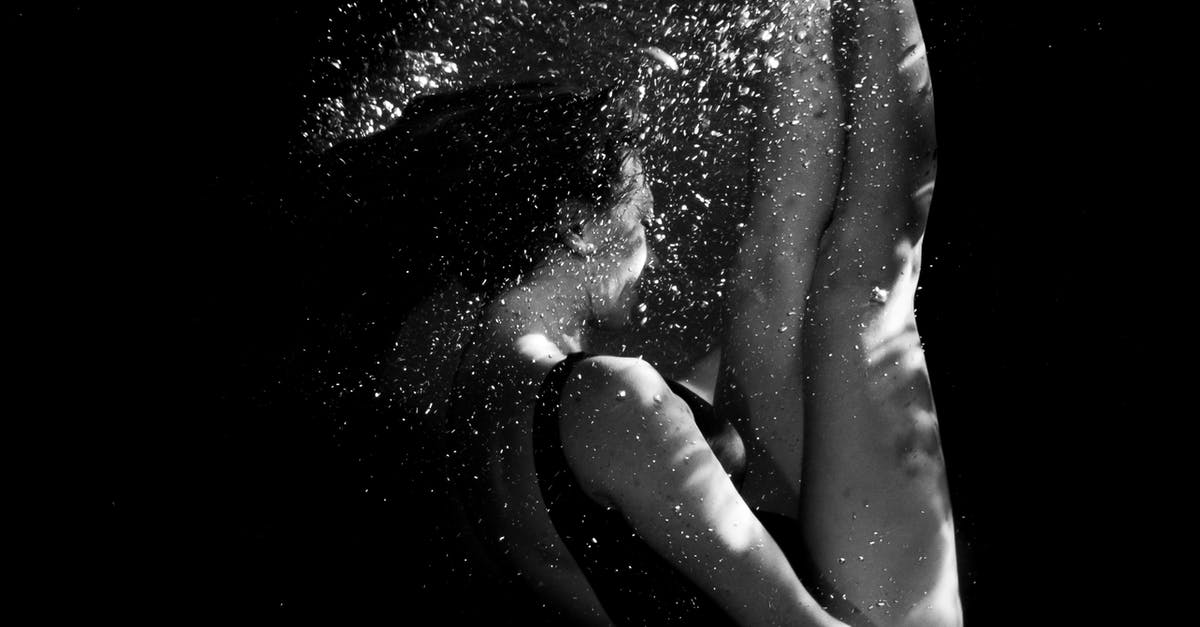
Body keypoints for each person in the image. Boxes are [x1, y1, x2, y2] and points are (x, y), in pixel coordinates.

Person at [396, 0, 960, 624]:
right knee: (867, 278)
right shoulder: (608, 399)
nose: (652, 231)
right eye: (640, 214)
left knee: (768, 272)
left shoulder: (471, 403)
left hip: (759, 561)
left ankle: (799, 12)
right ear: (577, 227)